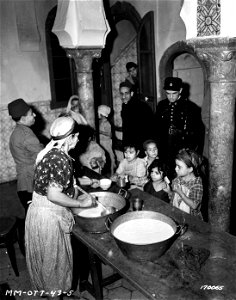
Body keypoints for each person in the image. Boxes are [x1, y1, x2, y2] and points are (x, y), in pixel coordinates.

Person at [25, 116, 95, 300]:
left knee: (51, 265)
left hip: (39, 213)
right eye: (76, 136)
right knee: (54, 267)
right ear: (69, 138)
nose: (78, 139)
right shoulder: (60, 159)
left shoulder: (50, 152)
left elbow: (57, 183)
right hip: (48, 218)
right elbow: (54, 195)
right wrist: (81, 203)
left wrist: (79, 184)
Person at [155, 77, 204, 180]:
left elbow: (198, 134)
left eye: (174, 93)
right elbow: (156, 129)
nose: (171, 97)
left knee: (180, 179)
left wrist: (181, 132)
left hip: (181, 151)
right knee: (164, 177)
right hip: (164, 149)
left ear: (180, 90)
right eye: (168, 93)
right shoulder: (161, 105)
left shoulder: (191, 108)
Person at [8, 98, 44, 213]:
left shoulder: (17, 132)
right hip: (30, 184)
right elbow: (43, 155)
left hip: (22, 181)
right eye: (30, 114)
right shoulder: (27, 135)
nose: (34, 115)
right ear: (23, 118)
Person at [119, 81, 155, 156]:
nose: (123, 96)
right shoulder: (125, 105)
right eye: (121, 94)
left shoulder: (142, 107)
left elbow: (148, 130)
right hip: (130, 147)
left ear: (132, 93)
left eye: (126, 93)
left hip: (139, 147)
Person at [170, 148, 204, 219]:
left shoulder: (197, 184)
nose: (175, 169)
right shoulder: (179, 176)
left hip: (190, 218)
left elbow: (194, 205)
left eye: (179, 167)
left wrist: (180, 192)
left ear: (190, 169)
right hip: (176, 211)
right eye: (176, 165)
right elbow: (173, 194)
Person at [98, 104, 116, 175]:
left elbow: (110, 134)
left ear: (102, 114)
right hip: (101, 142)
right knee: (102, 157)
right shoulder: (100, 121)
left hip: (106, 142)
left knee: (111, 157)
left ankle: (112, 173)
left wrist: (101, 132)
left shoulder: (107, 123)